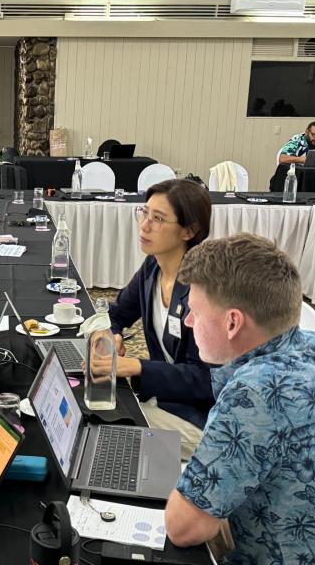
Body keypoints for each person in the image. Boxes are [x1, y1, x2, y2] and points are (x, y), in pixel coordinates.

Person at [165, 234, 315, 563]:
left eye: (195, 311)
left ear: (232, 322)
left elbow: (183, 528)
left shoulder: (256, 392)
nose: (189, 320)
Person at [98, 179, 214, 459]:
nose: (145, 225)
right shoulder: (153, 267)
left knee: (108, 430)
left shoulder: (205, 289)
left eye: (158, 218)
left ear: (190, 230)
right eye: (145, 213)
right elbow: (116, 313)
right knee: (100, 407)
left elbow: (206, 380)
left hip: (205, 419)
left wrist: (138, 367)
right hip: (164, 397)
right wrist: (111, 334)